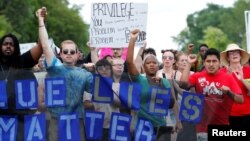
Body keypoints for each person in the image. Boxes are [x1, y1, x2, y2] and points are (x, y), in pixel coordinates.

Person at [37, 7, 93, 141]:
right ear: (60, 54)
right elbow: (45, 45)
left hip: (77, 120)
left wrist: (95, 66)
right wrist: (40, 21)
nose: (68, 54)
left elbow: (98, 90)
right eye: (65, 51)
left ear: (78, 55)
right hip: (56, 120)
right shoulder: (55, 67)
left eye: (72, 52)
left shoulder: (85, 74)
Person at [179, 48, 243, 141]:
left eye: (214, 61)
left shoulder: (228, 78)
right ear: (204, 63)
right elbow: (182, 84)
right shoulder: (197, 76)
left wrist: (229, 92)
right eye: (208, 61)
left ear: (219, 63)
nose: (211, 64)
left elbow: (240, 99)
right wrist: (189, 63)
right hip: (202, 129)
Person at [126, 29, 179, 141]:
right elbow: (129, 62)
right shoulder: (139, 79)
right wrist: (132, 39)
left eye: (154, 63)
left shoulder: (164, 81)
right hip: (143, 125)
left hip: (161, 126)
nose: (151, 65)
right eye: (148, 63)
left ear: (158, 65)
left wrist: (161, 86)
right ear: (143, 66)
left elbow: (170, 104)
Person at [220, 43, 250, 130]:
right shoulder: (222, 72)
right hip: (229, 115)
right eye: (231, 53)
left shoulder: (248, 70)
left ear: (240, 56)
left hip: (248, 114)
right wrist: (228, 77)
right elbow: (221, 93)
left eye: (237, 52)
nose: (234, 54)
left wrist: (242, 79)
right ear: (228, 58)